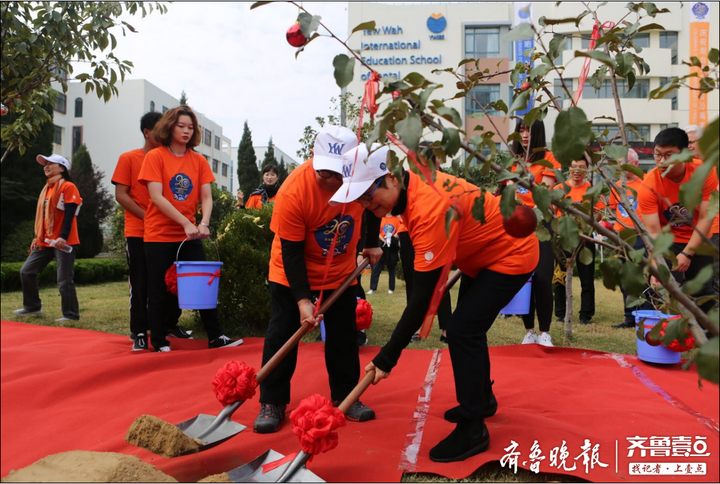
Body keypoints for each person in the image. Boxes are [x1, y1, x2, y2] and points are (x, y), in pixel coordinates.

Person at [331, 142, 539, 463]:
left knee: (461, 331)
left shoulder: (430, 207)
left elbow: (422, 299)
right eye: (359, 199)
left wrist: (387, 357)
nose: (365, 204)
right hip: (479, 256)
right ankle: (481, 399)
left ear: (393, 179)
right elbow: (375, 209)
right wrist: (371, 241)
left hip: (509, 254)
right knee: (467, 329)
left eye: (368, 196)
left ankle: (473, 428)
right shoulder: (403, 189)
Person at [253, 127, 382, 434]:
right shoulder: (294, 191)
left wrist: (371, 241)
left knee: (343, 336)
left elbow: (375, 206)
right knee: (282, 333)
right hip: (290, 272)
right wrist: (302, 300)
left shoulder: (360, 179)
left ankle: (346, 396)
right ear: (314, 159)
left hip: (339, 273)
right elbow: (291, 252)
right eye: (325, 173)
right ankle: (272, 401)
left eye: (339, 173)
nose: (333, 180)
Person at [137, 105, 242, 352]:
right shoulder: (155, 157)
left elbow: (207, 196)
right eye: (181, 126)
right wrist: (185, 222)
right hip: (159, 235)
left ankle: (216, 337)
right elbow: (156, 196)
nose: (186, 131)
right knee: (159, 290)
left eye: (190, 127)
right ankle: (160, 340)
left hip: (190, 235)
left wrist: (203, 223)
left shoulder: (198, 160)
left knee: (204, 284)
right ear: (169, 127)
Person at [112, 111, 184, 351]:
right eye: (161, 129)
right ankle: (140, 332)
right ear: (147, 132)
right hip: (139, 232)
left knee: (171, 281)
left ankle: (168, 324)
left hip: (167, 232)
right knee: (141, 282)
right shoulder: (129, 158)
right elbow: (121, 195)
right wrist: (149, 217)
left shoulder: (168, 159)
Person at [638, 128, 718, 311]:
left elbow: (706, 217)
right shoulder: (649, 185)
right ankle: (661, 335)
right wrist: (656, 263)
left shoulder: (704, 172)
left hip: (699, 238)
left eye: (669, 155)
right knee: (658, 287)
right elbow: (654, 232)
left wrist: (688, 253)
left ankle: (704, 337)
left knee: (703, 291)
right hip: (668, 241)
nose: (662, 161)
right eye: (657, 155)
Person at [509, 120, 561, 346]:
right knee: (524, 277)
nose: (524, 134)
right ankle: (529, 330)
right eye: (521, 130)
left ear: (538, 131)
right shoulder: (515, 160)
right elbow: (510, 192)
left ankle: (545, 332)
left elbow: (544, 193)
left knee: (542, 276)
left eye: (528, 130)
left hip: (541, 223)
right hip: (518, 223)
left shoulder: (549, 158)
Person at [14, 154, 82, 323]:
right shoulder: (47, 189)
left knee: (64, 280)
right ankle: (32, 307)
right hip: (44, 241)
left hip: (63, 242)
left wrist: (63, 237)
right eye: (45, 164)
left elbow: (70, 214)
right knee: (26, 271)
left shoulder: (68, 187)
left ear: (62, 168)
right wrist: (38, 237)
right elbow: (44, 217)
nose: (46, 166)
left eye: (51, 163)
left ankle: (71, 315)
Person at [552, 158, 604, 325]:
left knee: (587, 278)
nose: (577, 170)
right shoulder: (559, 189)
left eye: (581, 167)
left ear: (587, 170)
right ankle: (561, 313)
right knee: (559, 277)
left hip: (585, 238)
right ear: (569, 168)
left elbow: (599, 214)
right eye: (574, 166)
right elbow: (552, 212)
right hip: (563, 238)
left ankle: (585, 315)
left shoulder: (592, 190)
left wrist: (585, 223)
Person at [606, 149, 652, 328]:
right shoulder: (617, 186)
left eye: (623, 163)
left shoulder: (647, 183)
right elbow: (612, 209)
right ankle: (630, 317)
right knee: (626, 277)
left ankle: (646, 315)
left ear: (636, 164)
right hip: (621, 237)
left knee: (644, 277)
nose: (620, 168)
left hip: (642, 236)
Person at [367, 215, 401, 295]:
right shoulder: (380, 219)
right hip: (381, 244)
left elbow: (399, 231)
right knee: (376, 267)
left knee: (392, 267)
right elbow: (377, 232)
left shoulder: (397, 219)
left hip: (392, 245)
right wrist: (384, 240)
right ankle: (372, 288)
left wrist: (391, 238)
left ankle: (391, 288)